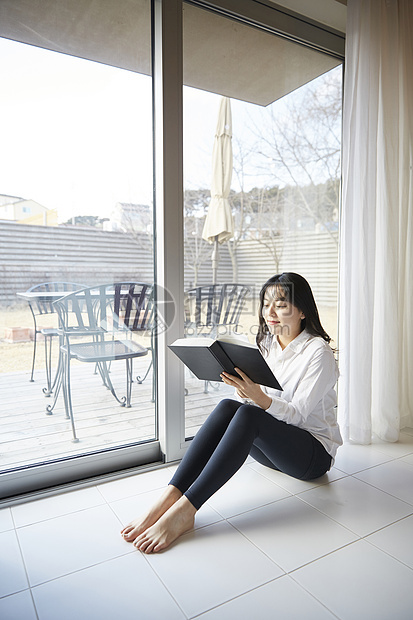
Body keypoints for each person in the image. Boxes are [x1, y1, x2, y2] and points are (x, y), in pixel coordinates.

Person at [121, 272, 342, 554]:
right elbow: (264, 404)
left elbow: (297, 415)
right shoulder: (271, 344)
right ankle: (169, 498)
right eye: (265, 304)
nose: (270, 313)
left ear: (301, 311)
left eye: (281, 305)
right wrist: (245, 391)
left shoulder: (317, 353)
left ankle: (185, 512)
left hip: (311, 457)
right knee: (229, 406)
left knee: (249, 416)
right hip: (274, 451)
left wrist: (258, 397)